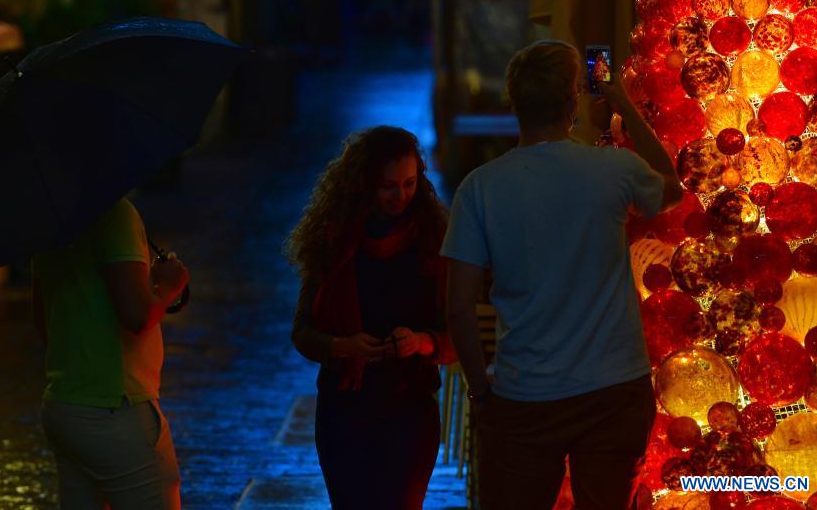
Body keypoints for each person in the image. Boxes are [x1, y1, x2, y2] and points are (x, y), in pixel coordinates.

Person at [440, 40, 684, 510]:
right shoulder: (613, 170)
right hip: (614, 387)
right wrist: (621, 103)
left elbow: (458, 307)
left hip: (526, 392)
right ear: (573, 103)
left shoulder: (480, 189)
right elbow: (671, 187)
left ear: (514, 103)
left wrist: (480, 391)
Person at [286, 125, 457, 510]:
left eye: (410, 184)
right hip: (345, 406)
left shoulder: (433, 240)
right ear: (364, 184)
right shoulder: (335, 241)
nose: (401, 197)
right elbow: (302, 332)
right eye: (388, 187)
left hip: (409, 405)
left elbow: (454, 338)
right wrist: (342, 346)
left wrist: (420, 342)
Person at [32, 197, 189, 509]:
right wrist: (168, 286)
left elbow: (43, 319)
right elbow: (137, 315)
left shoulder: (49, 218)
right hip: (117, 409)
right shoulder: (114, 213)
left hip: (64, 406)